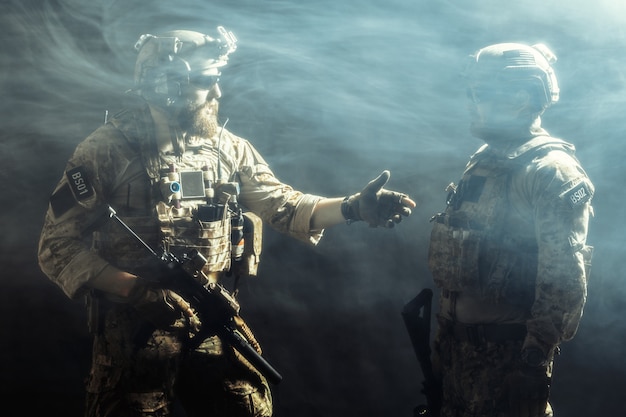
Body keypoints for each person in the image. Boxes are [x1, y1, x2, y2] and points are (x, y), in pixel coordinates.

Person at [38, 26, 415, 417]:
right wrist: (135, 290)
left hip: (208, 315)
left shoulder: (227, 148)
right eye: (207, 82)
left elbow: (284, 205)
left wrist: (354, 208)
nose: (218, 94)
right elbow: (56, 246)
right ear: (166, 83)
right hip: (134, 329)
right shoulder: (105, 151)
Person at [427, 43, 594, 417]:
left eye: (481, 93)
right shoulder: (484, 162)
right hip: (458, 354)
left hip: (507, 359)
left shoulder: (550, 171)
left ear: (521, 97)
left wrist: (532, 362)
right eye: (470, 92)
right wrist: (443, 345)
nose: (471, 102)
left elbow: (563, 278)